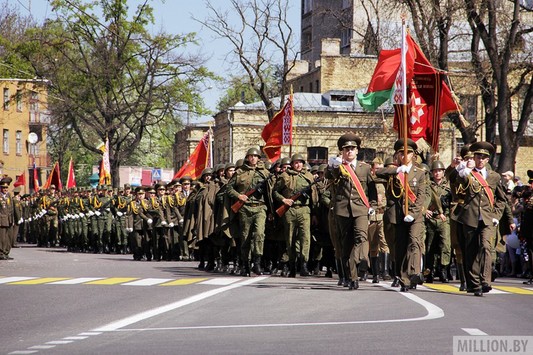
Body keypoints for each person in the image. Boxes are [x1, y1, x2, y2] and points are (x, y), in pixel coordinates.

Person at [451, 141, 507, 296]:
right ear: (474, 158)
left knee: (486, 247)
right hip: (470, 218)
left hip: (488, 219)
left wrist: (496, 215)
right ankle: (474, 284)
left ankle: (485, 281)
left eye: (483, 157)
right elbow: (455, 183)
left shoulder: (494, 177)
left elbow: (502, 199)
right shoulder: (467, 175)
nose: (480, 159)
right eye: (478, 156)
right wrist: (458, 170)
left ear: (487, 160)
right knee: (471, 251)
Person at [327, 133, 377, 290]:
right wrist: (333, 166)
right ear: (342, 152)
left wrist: (372, 206)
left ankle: (362, 259)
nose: (349, 151)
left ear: (357, 151)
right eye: (346, 149)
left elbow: (372, 190)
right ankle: (352, 277)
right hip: (342, 209)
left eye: (352, 148)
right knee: (345, 245)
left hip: (361, 208)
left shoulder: (365, 168)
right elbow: (329, 177)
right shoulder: (338, 167)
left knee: (361, 236)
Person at [376, 139, 427, 292]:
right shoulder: (395, 171)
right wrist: (396, 171)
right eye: (401, 153)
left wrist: (413, 213)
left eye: (409, 153)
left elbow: (421, 197)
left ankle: (414, 272)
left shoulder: (420, 174)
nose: (405, 156)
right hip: (398, 215)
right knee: (400, 248)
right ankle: (404, 278)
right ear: (397, 155)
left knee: (414, 242)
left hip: (414, 215)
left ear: (413, 155)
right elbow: (377, 173)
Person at [226, 147, 271, 276]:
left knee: (259, 234)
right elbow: (229, 188)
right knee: (245, 237)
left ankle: (257, 262)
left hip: (260, 207)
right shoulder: (240, 172)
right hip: (245, 208)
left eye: (255, 156)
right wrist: (239, 196)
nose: (253, 158)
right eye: (250, 156)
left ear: (259, 158)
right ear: (247, 158)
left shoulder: (265, 173)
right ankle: (246, 263)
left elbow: (270, 191)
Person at [273, 153, 318, 277]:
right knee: (290, 238)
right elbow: (275, 192)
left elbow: (314, 196)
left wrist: (314, 213)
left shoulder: (308, 176)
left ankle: (304, 264)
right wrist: (284, 200)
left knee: (305, 238)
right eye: (295, 162)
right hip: (289, 210)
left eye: (300, 162)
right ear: (292, 164)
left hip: (304, 210)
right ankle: (292, 264)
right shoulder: (285, 176)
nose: (298, 165)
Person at [425, 161, 452, 283]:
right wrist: (424, 210)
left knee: (446, 245)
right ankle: (429, 270)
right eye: (435, 171)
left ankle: (444, 270)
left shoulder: (448, 186)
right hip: (431, 219)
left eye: (440, 171)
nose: (437, 173)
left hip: (444, 219)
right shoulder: (427, 185)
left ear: (443, 172)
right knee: (430, 246)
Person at [0, 177, 14, 260]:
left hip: (9, 220)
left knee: (9, 237)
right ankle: (1, 253)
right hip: (2, 219)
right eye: (3, 187)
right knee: (2, 238)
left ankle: (6, 252)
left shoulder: (9, 196)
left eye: (6, 187)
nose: (5, 189)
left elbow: (11, 208)